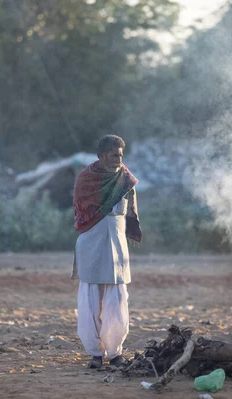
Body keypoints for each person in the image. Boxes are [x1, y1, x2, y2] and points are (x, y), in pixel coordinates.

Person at [71, 134, 142, 369]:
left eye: (121, 155)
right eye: (114, 155)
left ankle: (115, 353)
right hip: (92, 243)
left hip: (118, 245)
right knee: (92, 299)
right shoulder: (85, 179)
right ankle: (94, 354)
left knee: (117, 298)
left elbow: (131, 210)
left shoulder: (125, 179)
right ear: (101, 156)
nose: (118, 159)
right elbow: (81, 215)